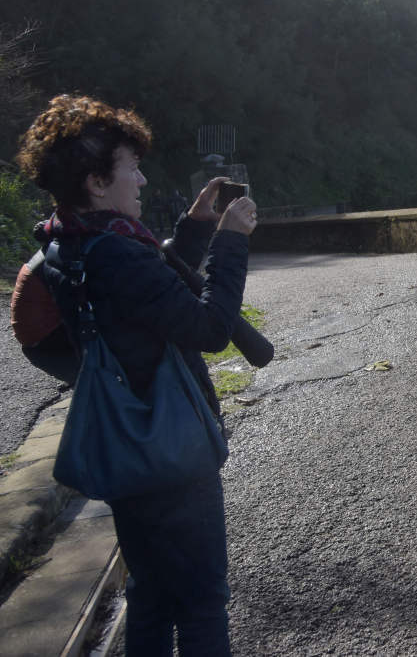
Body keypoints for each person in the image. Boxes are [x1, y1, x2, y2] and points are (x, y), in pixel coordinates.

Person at [15, 94, 258, 654]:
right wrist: (231, 242)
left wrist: (195, 228)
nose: (143, 180)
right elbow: (208, 327)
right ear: (97, 182)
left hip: (126, 444)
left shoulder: (71, 239)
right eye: (132, 169)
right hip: (168, 450)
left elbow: (150, 294)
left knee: (149, 595)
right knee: (201, 601)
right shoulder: (116, 254)